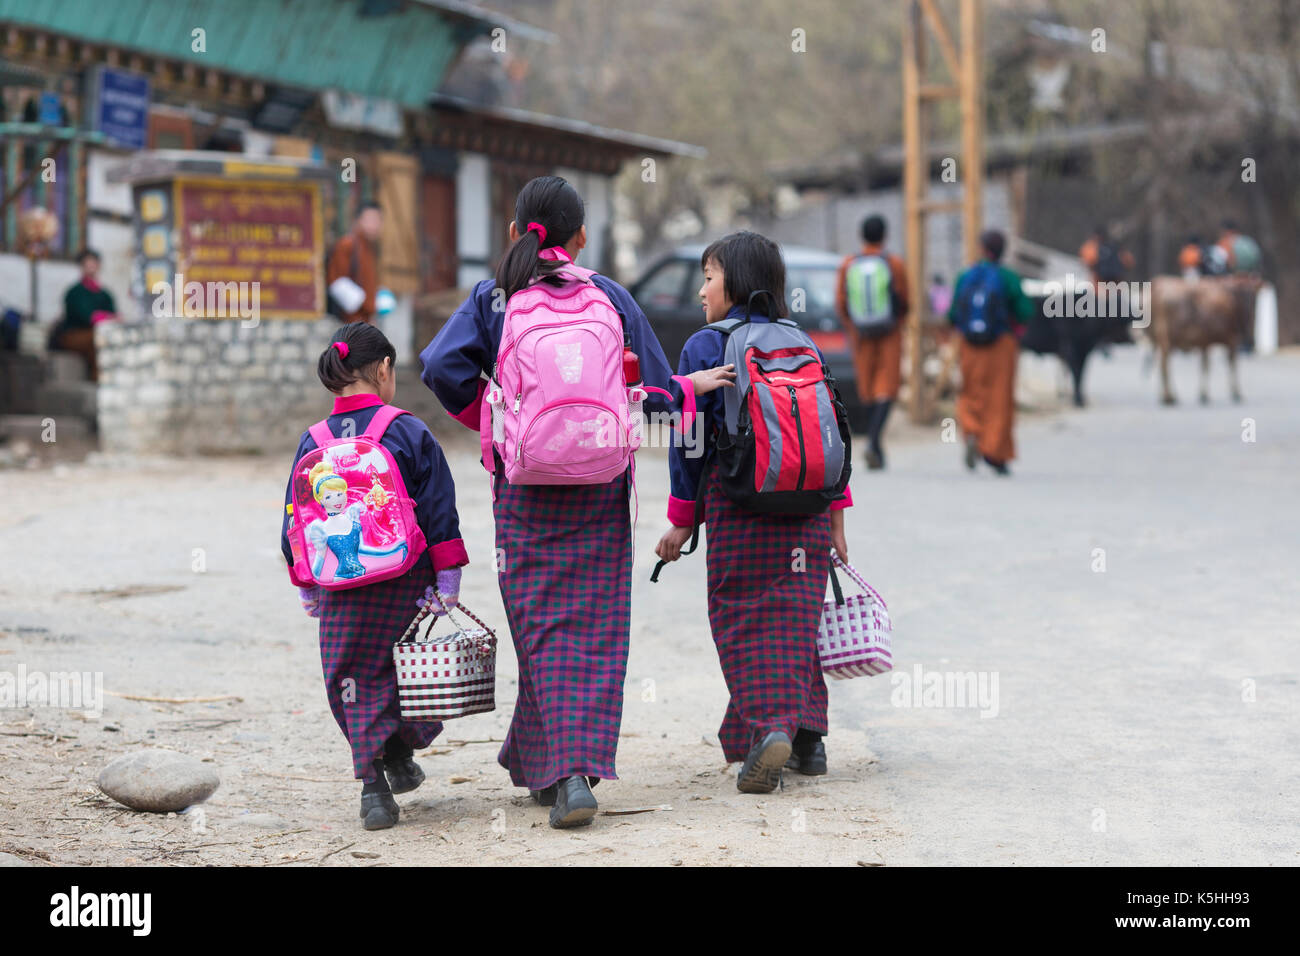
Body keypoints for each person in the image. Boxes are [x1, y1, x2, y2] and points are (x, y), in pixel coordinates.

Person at [420, 175, 681, 828]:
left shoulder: (494, 298)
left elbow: (439, 367)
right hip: (600, 487)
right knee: (592, 629)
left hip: (524, 489)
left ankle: (564, 775)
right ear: (582, 237)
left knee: (542, 626)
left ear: (515, 234)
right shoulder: (609, 296)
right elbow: (660, 390)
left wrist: (499, 421)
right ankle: (563, 764)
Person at [655, 230, 853, 793]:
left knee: (741, 617)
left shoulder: (705, 346)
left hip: (739, 504)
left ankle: (769, 730)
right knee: (793, 619)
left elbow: (688, 440)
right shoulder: (801, 340)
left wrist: (681, 517)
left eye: (709, 277)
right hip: (808, 507)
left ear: (734, 282)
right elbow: (830, 431)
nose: (701, 291)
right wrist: (838, 516)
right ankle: (808, 738)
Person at [281, 322, 468, 830]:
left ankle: (373, 790)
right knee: (406, 673)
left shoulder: (312, 440)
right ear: (384, 369)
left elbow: (294, 523)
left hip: (340, 587)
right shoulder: (407, 430)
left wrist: (307, 582)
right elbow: (438, 508)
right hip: (403, 580)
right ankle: (402, 749)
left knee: (352, 679)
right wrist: (447, 574)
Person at [948, 229, 1034, 476]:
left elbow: (954, 314)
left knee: (971, 390)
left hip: (969, 345)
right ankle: (995, 453)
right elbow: (1025, 311)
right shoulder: (1008, 277)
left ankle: (973, 432)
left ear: (982, 249)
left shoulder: (966, 276)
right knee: (999, 398)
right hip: (1001, 344)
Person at [835, 214, 909, 469]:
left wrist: (854, 327)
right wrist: (897, 323)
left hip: (861, 336)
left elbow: (841, 303)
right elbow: (904, 300)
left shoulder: (848, 264)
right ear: (885, 236)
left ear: (861, 236)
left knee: (867, 387)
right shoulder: (894, 263)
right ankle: (875, 442)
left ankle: (874, 444)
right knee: (886, 388)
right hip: (889, 334)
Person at [50, 248, 116, 381]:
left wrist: (105, 318)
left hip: (98, 333)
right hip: (74, 335)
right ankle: (99, 380)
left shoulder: (105, 294)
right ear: (81, 266)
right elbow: (87, 317)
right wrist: (103, 317)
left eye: (94, 263)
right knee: (97, 340)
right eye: (87, 264)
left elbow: (114, 316)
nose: (91, 267)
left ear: (98, 266)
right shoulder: (74, 292)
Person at [327, 201, 382, 324]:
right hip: (349, 321)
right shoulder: (347, 245)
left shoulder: (369, 246)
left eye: (378, 220)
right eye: (370, 220)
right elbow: (337, 282)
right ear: (358, 220)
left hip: (365, 320)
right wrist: (369, 306)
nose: (375, 225)